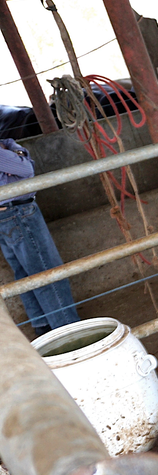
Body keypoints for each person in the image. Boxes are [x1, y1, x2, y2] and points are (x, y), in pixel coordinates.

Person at [0, 138, 81, 336]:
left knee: (24, 273)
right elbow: (27, 170)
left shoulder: (3, 144)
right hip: (18, 212)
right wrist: (17, 154)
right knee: (47, 272)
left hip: (4, 214)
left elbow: (12, 145)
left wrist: (14, 151)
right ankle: (68, 332)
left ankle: (42, 326)